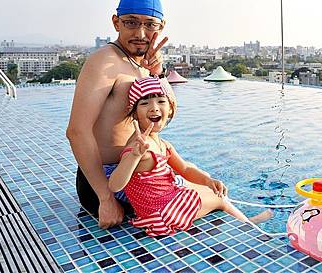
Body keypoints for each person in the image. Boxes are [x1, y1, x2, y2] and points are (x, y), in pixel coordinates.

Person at [109, 76, 272, 236]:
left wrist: (208, 181)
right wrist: (134, 156)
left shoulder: (162, 143)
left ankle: (238, 215)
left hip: (159, 204)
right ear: (135, 114)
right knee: (219, 198)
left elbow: (185, 169)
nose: (154, 108)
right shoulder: (138, 147)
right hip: (161, 213)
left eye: (161, 101)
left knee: (206, 183)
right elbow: (115, 185)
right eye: (145, 103)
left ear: (170, 108)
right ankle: (249, 226)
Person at [67, 0, 175, 228]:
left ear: (161, 27)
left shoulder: (143, 66)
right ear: (116, 23)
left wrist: (158, 74)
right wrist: (105, 198)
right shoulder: (104, 61)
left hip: (136, 175)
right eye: (131, 23)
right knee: (199, 199)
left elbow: (166, 118)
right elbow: (77, 131)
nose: (141, 33)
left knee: (205, 187)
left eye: (150, 25)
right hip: (105, 183)